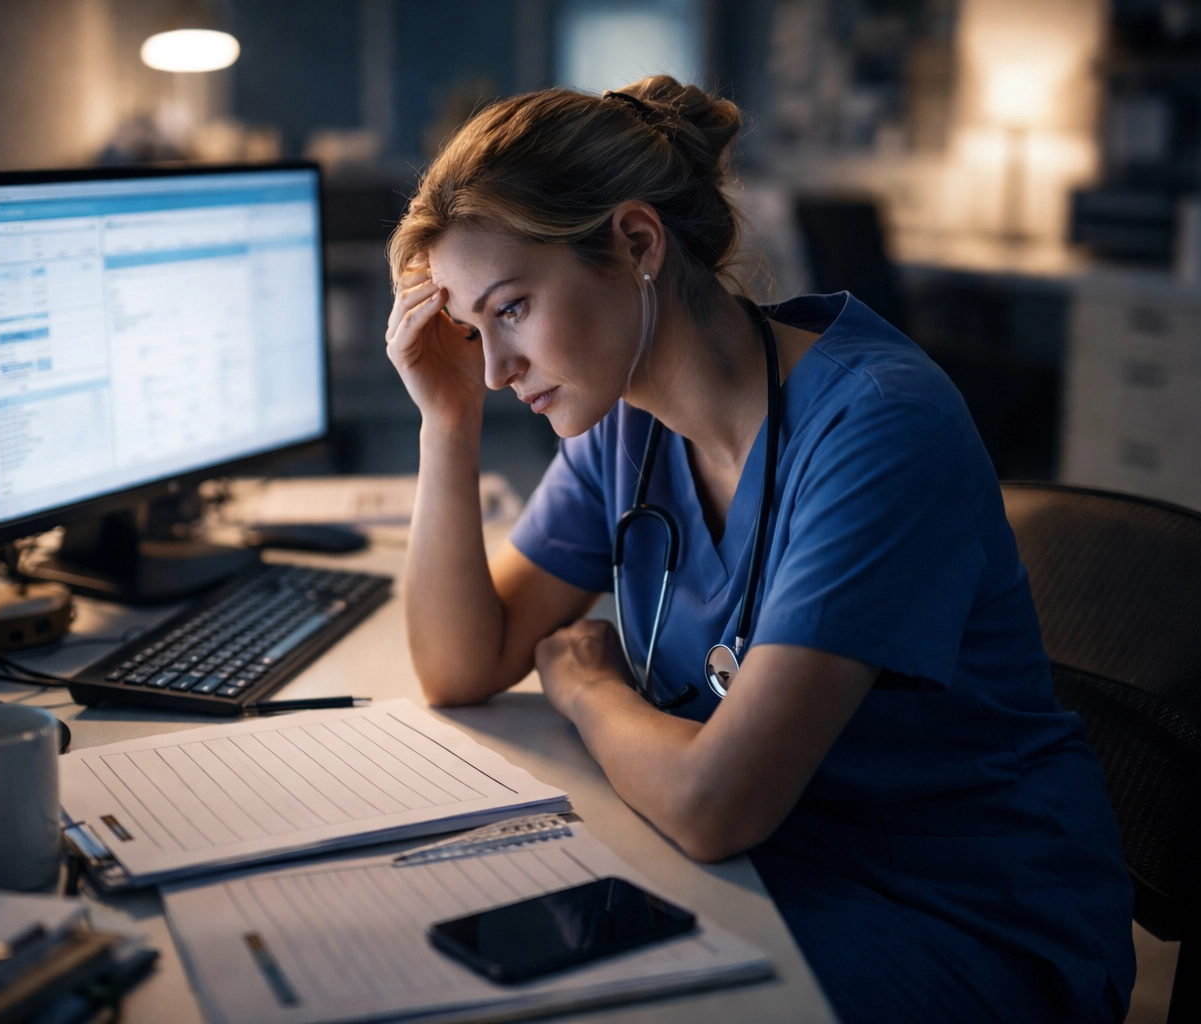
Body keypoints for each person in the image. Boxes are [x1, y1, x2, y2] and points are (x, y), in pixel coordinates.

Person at [383, 76, 1134, 1023]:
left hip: (964, 919)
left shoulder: (877, 429)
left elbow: (714, 803)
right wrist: (445, 421)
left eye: (515, 309)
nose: (494, 369)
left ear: (638, 243)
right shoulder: (624, 424)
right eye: (470, 329)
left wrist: (585, 685)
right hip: (761, 872)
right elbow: (459, 663)